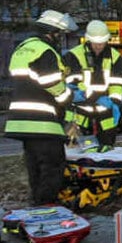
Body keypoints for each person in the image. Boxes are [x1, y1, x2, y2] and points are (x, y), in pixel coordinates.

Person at [4, 10, 78, 204]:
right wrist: (68, 96)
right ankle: (46, 206)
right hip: (42, 121)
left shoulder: (22, 48)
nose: (60, 39)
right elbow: (51, 83)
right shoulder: (46, 50)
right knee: (53, 165)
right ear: (52, 32)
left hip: (20, 122)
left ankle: (36, 204)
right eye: (60, 34)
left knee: (35, 167)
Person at [63, 20, 122, 150]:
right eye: (95, 43)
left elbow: (117, 84)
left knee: (107, 145)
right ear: (88, 39)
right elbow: (73, 84)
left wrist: (115, 102)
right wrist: (96, 97)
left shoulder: (115, 57)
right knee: (74, 147)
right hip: (79, 110)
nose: (98, 46)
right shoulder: (74, 55)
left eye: (101, 43)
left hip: (105, 109)